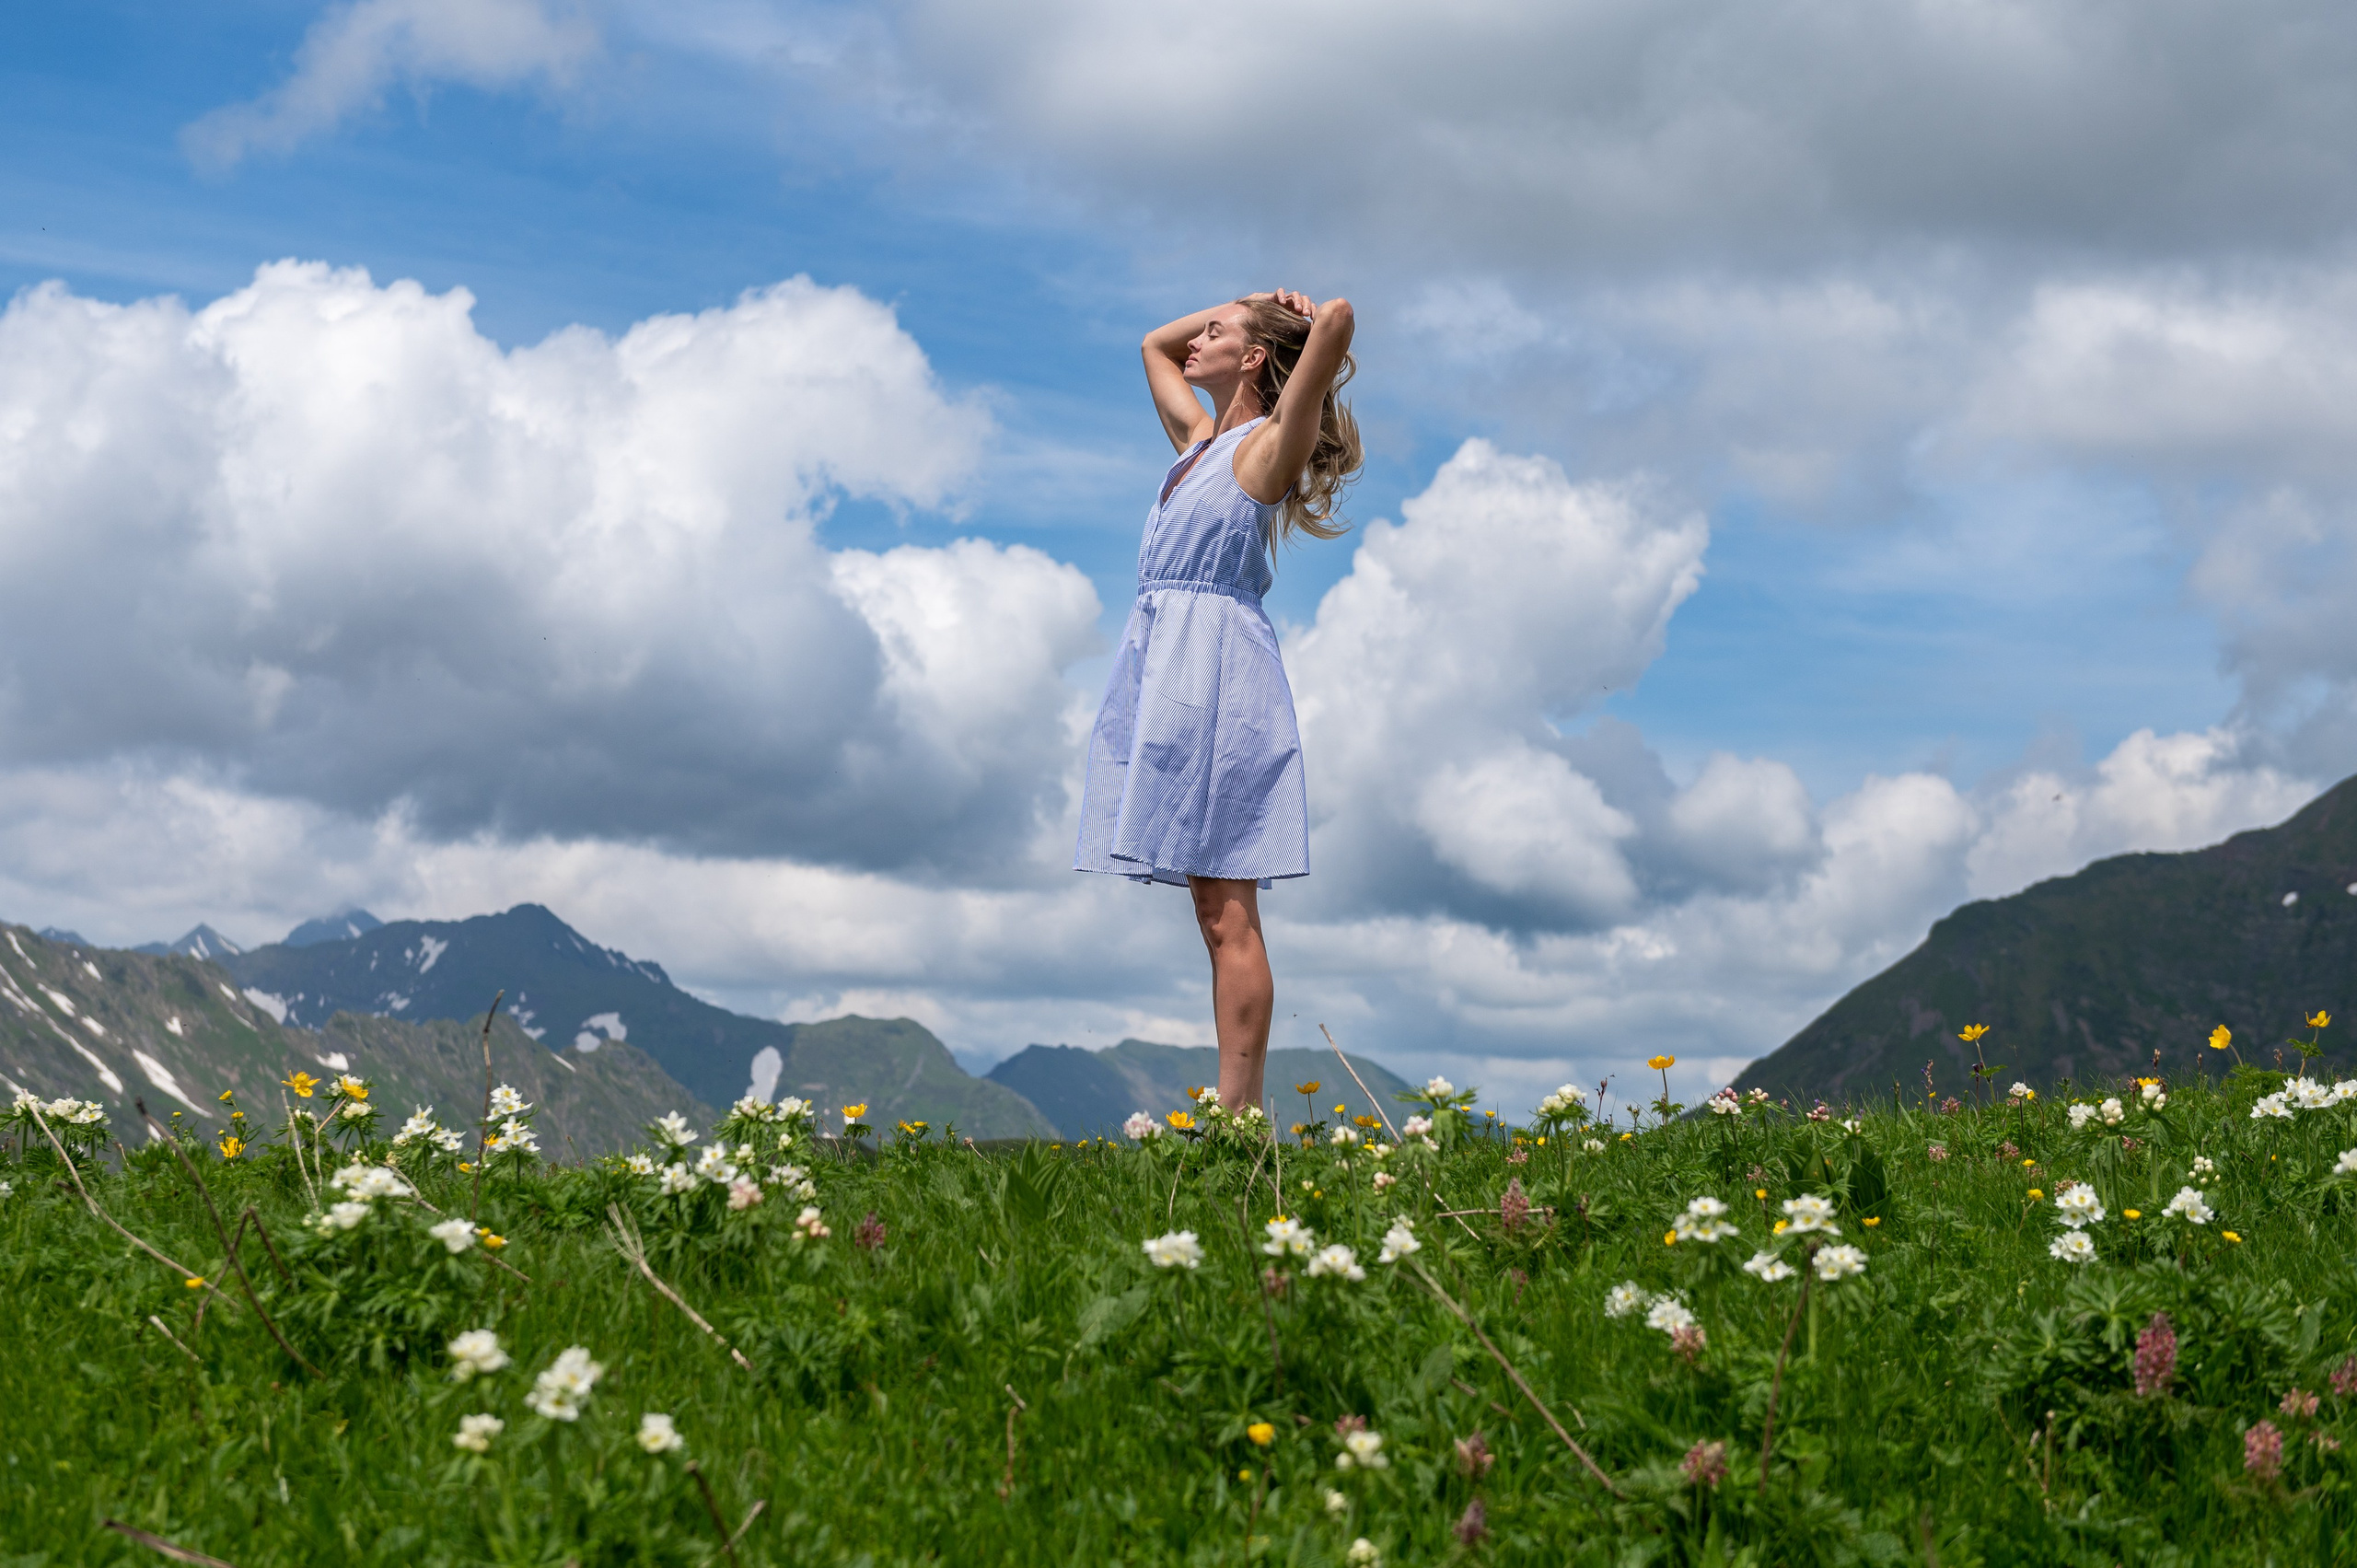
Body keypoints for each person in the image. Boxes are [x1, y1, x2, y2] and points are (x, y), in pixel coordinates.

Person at [1074, 288, 1363, 1115]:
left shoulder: (1269, 447)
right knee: (1213, 908)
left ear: (1256, 358)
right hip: (1169, 665)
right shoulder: (1199, 442)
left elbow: (1338, 319)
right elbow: (1150, 348)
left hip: (1220, 676)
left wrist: (1284, 306)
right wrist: (1237, 299)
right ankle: (1239, 1119)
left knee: (1228, 910)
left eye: (1217, 332)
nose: (1194, 338)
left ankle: (1240, 1120)